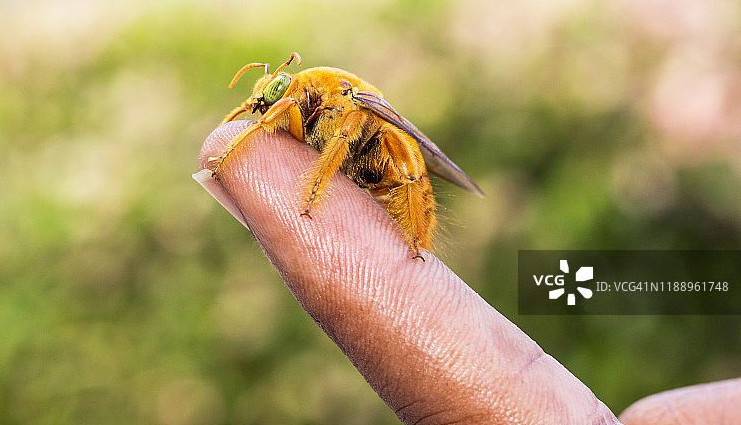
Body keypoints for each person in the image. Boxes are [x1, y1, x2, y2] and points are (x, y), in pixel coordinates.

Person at [195, 122, 740, 425]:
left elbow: (352, 141)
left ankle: (410, 245)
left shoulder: (333, 109)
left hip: (389, 165)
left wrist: (313, 191)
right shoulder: (300, 107)